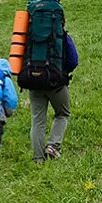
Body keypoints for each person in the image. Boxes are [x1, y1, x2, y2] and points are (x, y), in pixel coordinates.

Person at [29, 31, 78, 161]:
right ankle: (53, 146)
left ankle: (38, 158)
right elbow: (73, 60)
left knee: (37, 121)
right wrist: (62, 71)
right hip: (56, 83)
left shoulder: (30, 34)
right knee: (63, 113)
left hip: (33, 81)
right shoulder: (62, 35)